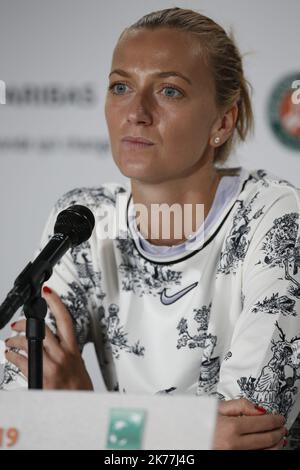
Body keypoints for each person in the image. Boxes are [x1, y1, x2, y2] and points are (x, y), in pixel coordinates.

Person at [1, 7, 299, 450]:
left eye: (169, 91)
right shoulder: (83, 220)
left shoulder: (273, 214)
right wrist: (183, 432)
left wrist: (83, 412)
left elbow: (251, 426)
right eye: (121, 86)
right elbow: (17, 418)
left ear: (222, 122)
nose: (135, 112)